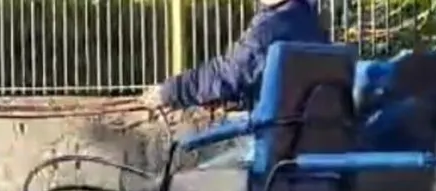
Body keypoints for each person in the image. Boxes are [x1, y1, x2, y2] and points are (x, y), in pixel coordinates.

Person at [139, 0, 329, 168]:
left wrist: (171, 91)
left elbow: (228, 74)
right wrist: (237, 98)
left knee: (187, 182)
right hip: (309, 146)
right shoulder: (312, 25)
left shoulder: (270, 27)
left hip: (273, 149)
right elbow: (282, 85)